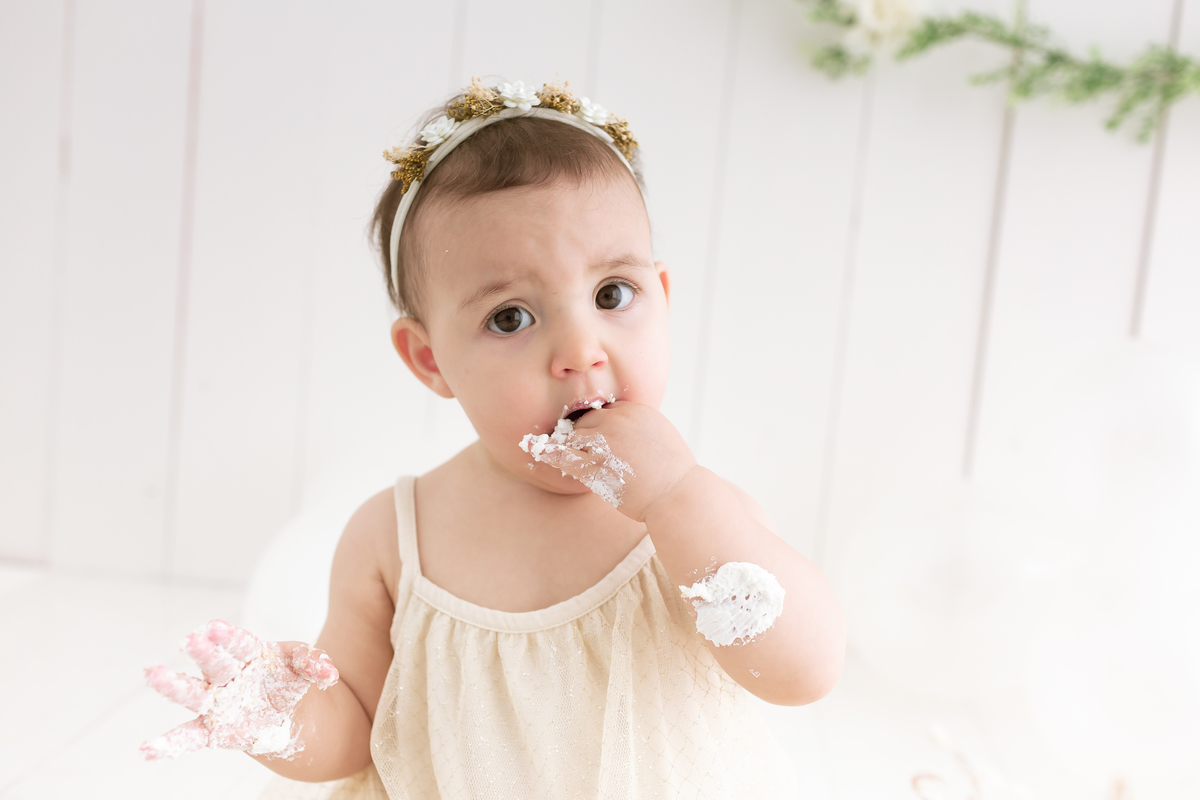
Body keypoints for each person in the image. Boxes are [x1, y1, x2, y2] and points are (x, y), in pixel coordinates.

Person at [139, 78, 846, 799]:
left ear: (661, 295)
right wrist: (280, 720)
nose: (580, 348)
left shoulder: (700, 523)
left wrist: (674, 495)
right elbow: (352, 728)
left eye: (611, 295)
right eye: (511, 317)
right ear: (430, 359)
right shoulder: (393, 538)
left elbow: (804, 673)